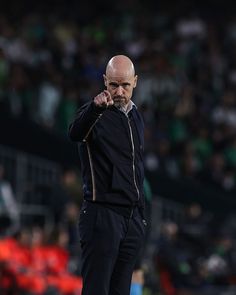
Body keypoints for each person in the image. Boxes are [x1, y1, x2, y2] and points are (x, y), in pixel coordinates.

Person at [69, 55, 146, 295]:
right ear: (105, 81)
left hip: (130, 219)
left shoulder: (135, 116)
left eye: (125, 84)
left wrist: (140, 219)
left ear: (135, 82)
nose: (120, 91)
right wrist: (94, 108)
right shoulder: (96, 111)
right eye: (114, 84)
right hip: (102, 215)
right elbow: (75, 133)